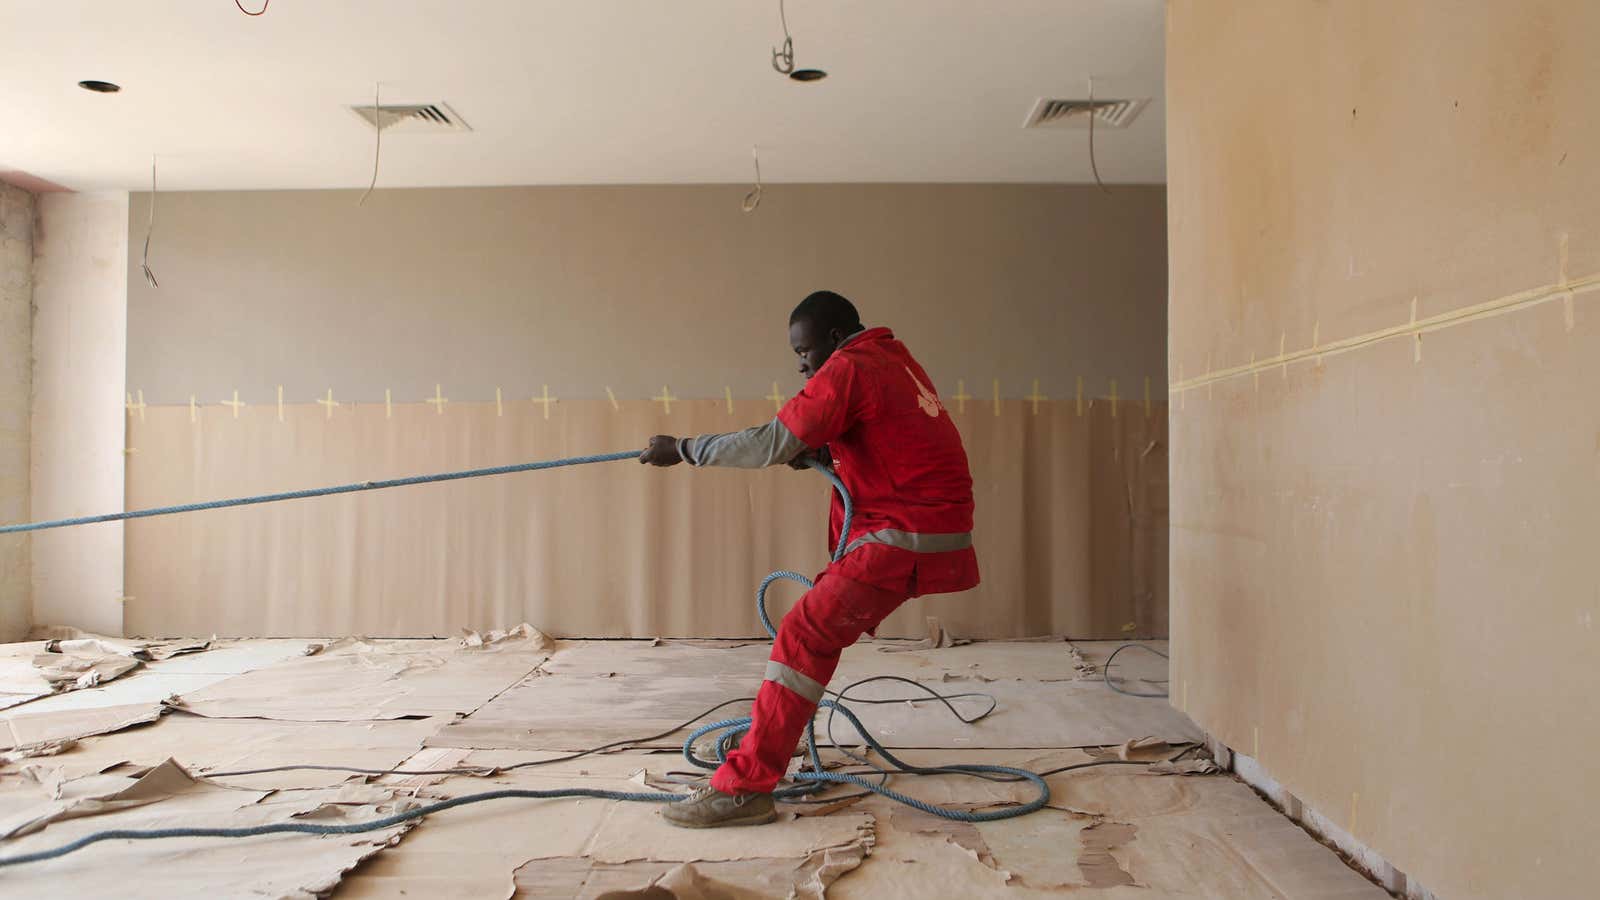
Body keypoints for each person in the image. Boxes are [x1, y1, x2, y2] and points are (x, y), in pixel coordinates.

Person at [638, 290, 979, 828]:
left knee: (802, 633)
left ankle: (746, 788)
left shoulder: (849, 367)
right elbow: (890, 438)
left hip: (903, 532)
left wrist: (681, 449)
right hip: (922, 527)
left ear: (836, 339)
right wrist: (825, 453)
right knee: (810, 633)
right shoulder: (891, 359)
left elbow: (771, 442)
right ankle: (758, 762)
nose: (802, 366)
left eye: (806, 351)